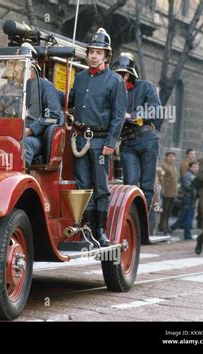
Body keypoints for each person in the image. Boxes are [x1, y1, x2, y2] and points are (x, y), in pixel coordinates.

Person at [64, 28, 126, 247]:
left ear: (106, 56)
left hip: (101, 141)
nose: (93, 55)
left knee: (101, 187)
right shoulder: (80, 78)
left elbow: (119, 116)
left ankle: (100, 230)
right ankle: (86, 227)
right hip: (80, 140)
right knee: (83, 185)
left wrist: (111, 142)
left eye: (98, 52)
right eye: (91, 51)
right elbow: (69, 101)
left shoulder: (115, 81)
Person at [112, 52, 162, 210]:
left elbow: (156, 111)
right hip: (127, 144)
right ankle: (131, 220)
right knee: (130, 185)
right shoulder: (113, 92)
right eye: (118, 73)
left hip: (147, 139)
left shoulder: (145, 86)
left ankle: (143, 225)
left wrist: (132, 116)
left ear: (130, 74)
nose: (121, 77)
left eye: (123, 73)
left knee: (147, 185)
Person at [24, 59, 64, 168]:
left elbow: (53, 117)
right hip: (12, 133)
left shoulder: (45, 87)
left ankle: (19, 177)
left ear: (31, 70)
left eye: (19, 67)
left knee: (24, 144)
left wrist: (30, 130)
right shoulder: (13, 88)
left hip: (38, 137)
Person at [170, 161, 199, 240]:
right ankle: (187, 235)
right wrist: (196, 185)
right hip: (188, 198)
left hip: (191, 198)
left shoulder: (193, 175)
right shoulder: (187, 175)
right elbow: (188, 187)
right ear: (190, 167)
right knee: (188, 217)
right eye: (194, 167)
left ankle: (173, 227)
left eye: (197, 167)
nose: (196, 169)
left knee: (184, 216)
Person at [158, 152, 178, 234]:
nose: (172, 158)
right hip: (166, 191)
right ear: (166, 157)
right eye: (170, 156)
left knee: (169, 211)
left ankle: (165, 225)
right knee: (165, 210)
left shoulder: (173, 166)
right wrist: (162, 189)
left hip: (173, 192)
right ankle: (163, 226)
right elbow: (161, 178)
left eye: (173, 156)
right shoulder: (163, 165)